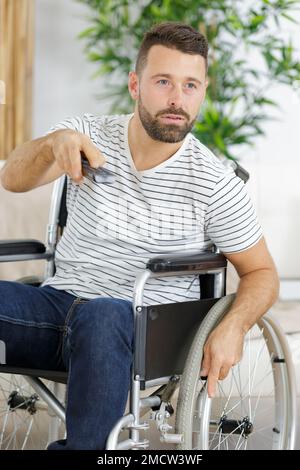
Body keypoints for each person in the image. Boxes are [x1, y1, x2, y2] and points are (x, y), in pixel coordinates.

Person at [0, 22, 279, 450]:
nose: (176, 99)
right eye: (163, 81)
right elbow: (12, 180)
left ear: (203, 92)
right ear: (135, 84)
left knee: (106, 312)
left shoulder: (213, 182)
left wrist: (234, 326)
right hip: (55, 309)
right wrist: (52, 143)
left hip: (138, 329)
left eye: (190, 85)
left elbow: (261, 272)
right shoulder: (86, 136)